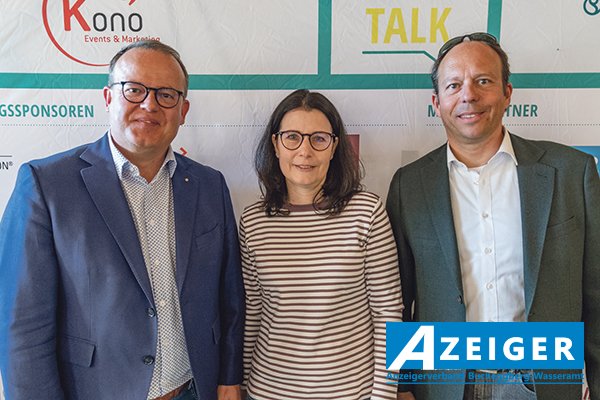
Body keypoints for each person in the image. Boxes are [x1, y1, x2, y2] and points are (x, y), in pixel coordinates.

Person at [0, 40, 245, 400]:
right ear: (108, 97)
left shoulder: (209, 185)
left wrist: (229, 376)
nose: (150, 104)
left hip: (194, 390)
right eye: (134, 89)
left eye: (166, 95)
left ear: (183, 110)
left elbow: (229, 297)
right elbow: (22, 326)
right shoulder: (46, 185)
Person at [386, 32, 599, 400]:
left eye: (483, 81)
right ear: (437, 102)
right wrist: (402, 385)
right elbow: (397, 299)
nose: (468, 95)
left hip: (542, 384)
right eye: (454, 85)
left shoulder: (571, 172)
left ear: (507, 93)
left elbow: (596, 295)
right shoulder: (410, 185)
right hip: (444, 386)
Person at [239, 89, 404, 400]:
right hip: (268, 391)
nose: (305, 151)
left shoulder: (367, 212)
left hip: (350, 393)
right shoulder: (253, 221)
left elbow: (388, 314)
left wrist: (383, 395)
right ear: (275, 144)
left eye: (319, 139)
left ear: (334, 147)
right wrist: (245, 385)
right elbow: (253, 314)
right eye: (292, 137)